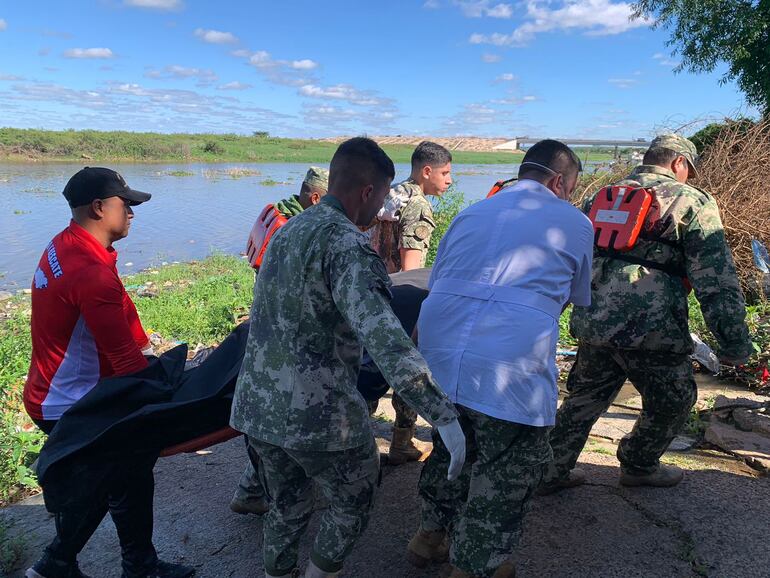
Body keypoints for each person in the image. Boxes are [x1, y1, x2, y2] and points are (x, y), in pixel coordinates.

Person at [230, 137, 465, 578]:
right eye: (380, 199)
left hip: (256, 407)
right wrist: (443, 415)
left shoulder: (287, 231)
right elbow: (388, 341)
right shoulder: (348, 247)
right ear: (367, 192)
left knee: (286, 506)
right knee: (354, 498)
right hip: (315, 414)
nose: (381, 211)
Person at [407, 140, 593, 578]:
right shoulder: (575, 221)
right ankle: (476, 566)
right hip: (507, 358)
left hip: (438, 344)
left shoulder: (473, 211)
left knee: (453, 439)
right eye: (570, 187)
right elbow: (570, 297)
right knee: (508, 465)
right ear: (559, 181)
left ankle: (428, 536)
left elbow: (442, 278)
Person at [541, 134, 753, 494]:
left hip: (594, 321)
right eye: (689, 171)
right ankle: (639, 464)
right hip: (652, 328)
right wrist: (734, 342)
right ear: (678, 164)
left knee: (584, 398)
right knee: (675, 399)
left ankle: (549, 470)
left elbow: (570, 257)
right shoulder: (691, 201)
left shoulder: (601, 196)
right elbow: (716, 280)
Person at [23, 167, 194, 578]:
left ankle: (135, 565)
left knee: (127, 476)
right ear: (99, 208)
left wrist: (151, 354)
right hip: (70, 402)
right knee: (111, 479)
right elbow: (125, 364)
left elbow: (120, 319)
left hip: (51, 390)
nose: (133, 213)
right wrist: (170, 395)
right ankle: (56, 565)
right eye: (126, 205)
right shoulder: (90, 272)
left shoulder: (67, 245)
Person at [232, 166, 329, 516]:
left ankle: (249, 488)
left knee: (267, 423)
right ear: (315, 198)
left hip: (265, 321)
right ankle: (285, 494)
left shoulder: (277, 212)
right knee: (284, 420)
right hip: (285, 333)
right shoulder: (296, 230)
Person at [368, 141, 453, 464]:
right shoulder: (418, 205)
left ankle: (359, 435)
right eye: (445, 173)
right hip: (398, 295)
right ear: (426, 171)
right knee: (408, 368)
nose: (448, 180)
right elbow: (412, 269)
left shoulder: (391, 193)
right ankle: (402, 441)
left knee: (368, 369)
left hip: (372, 290)